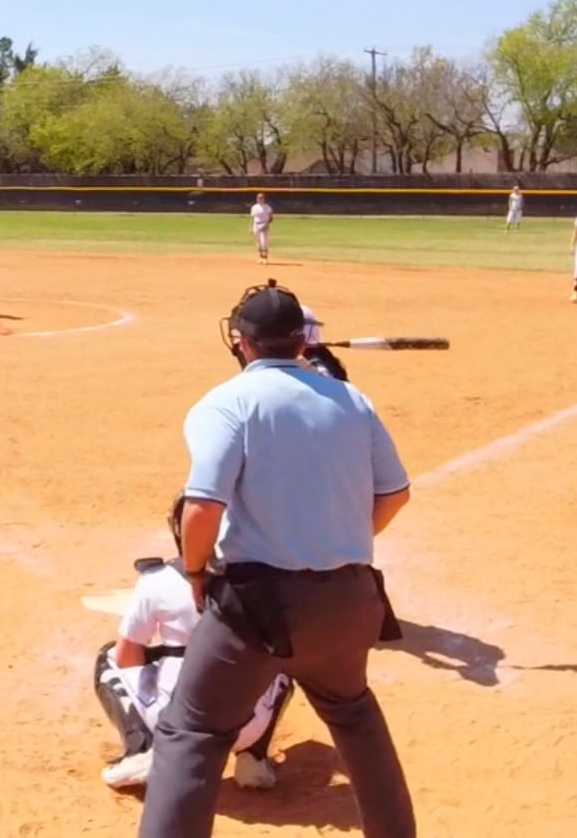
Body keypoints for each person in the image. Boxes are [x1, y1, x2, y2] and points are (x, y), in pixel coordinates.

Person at [136, 280, 414, 838]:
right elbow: (395, 494)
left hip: (259, 608)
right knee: (354, 714)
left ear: (241, 341)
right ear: (301, 341)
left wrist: (196, 572)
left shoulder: (228, 402)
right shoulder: (352, 400)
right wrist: (338, 541)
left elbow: (202, 508)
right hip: (352, 598)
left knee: (192, 733)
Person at [95, 494, 296, 791]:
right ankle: (253, 757)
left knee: (109, 658)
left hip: (175, 725)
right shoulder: (270, 581)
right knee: (283, 664)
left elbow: (127, 656)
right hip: (248, 725)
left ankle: (141, 748)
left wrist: (162, 659)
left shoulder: (157, 581)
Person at [249, 194, 273, 265]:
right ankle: (260, 257)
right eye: (258, 198)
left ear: (264, 199)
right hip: (256, 225)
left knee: (264, 242)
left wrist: (266, 224)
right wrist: (250, 227)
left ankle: (265, 258)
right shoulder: (254, 207)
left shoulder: (267, 207)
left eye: (261, 198)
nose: (259, 199)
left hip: (264, 225)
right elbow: (252, 218)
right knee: (258, 242)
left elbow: (271, 217)